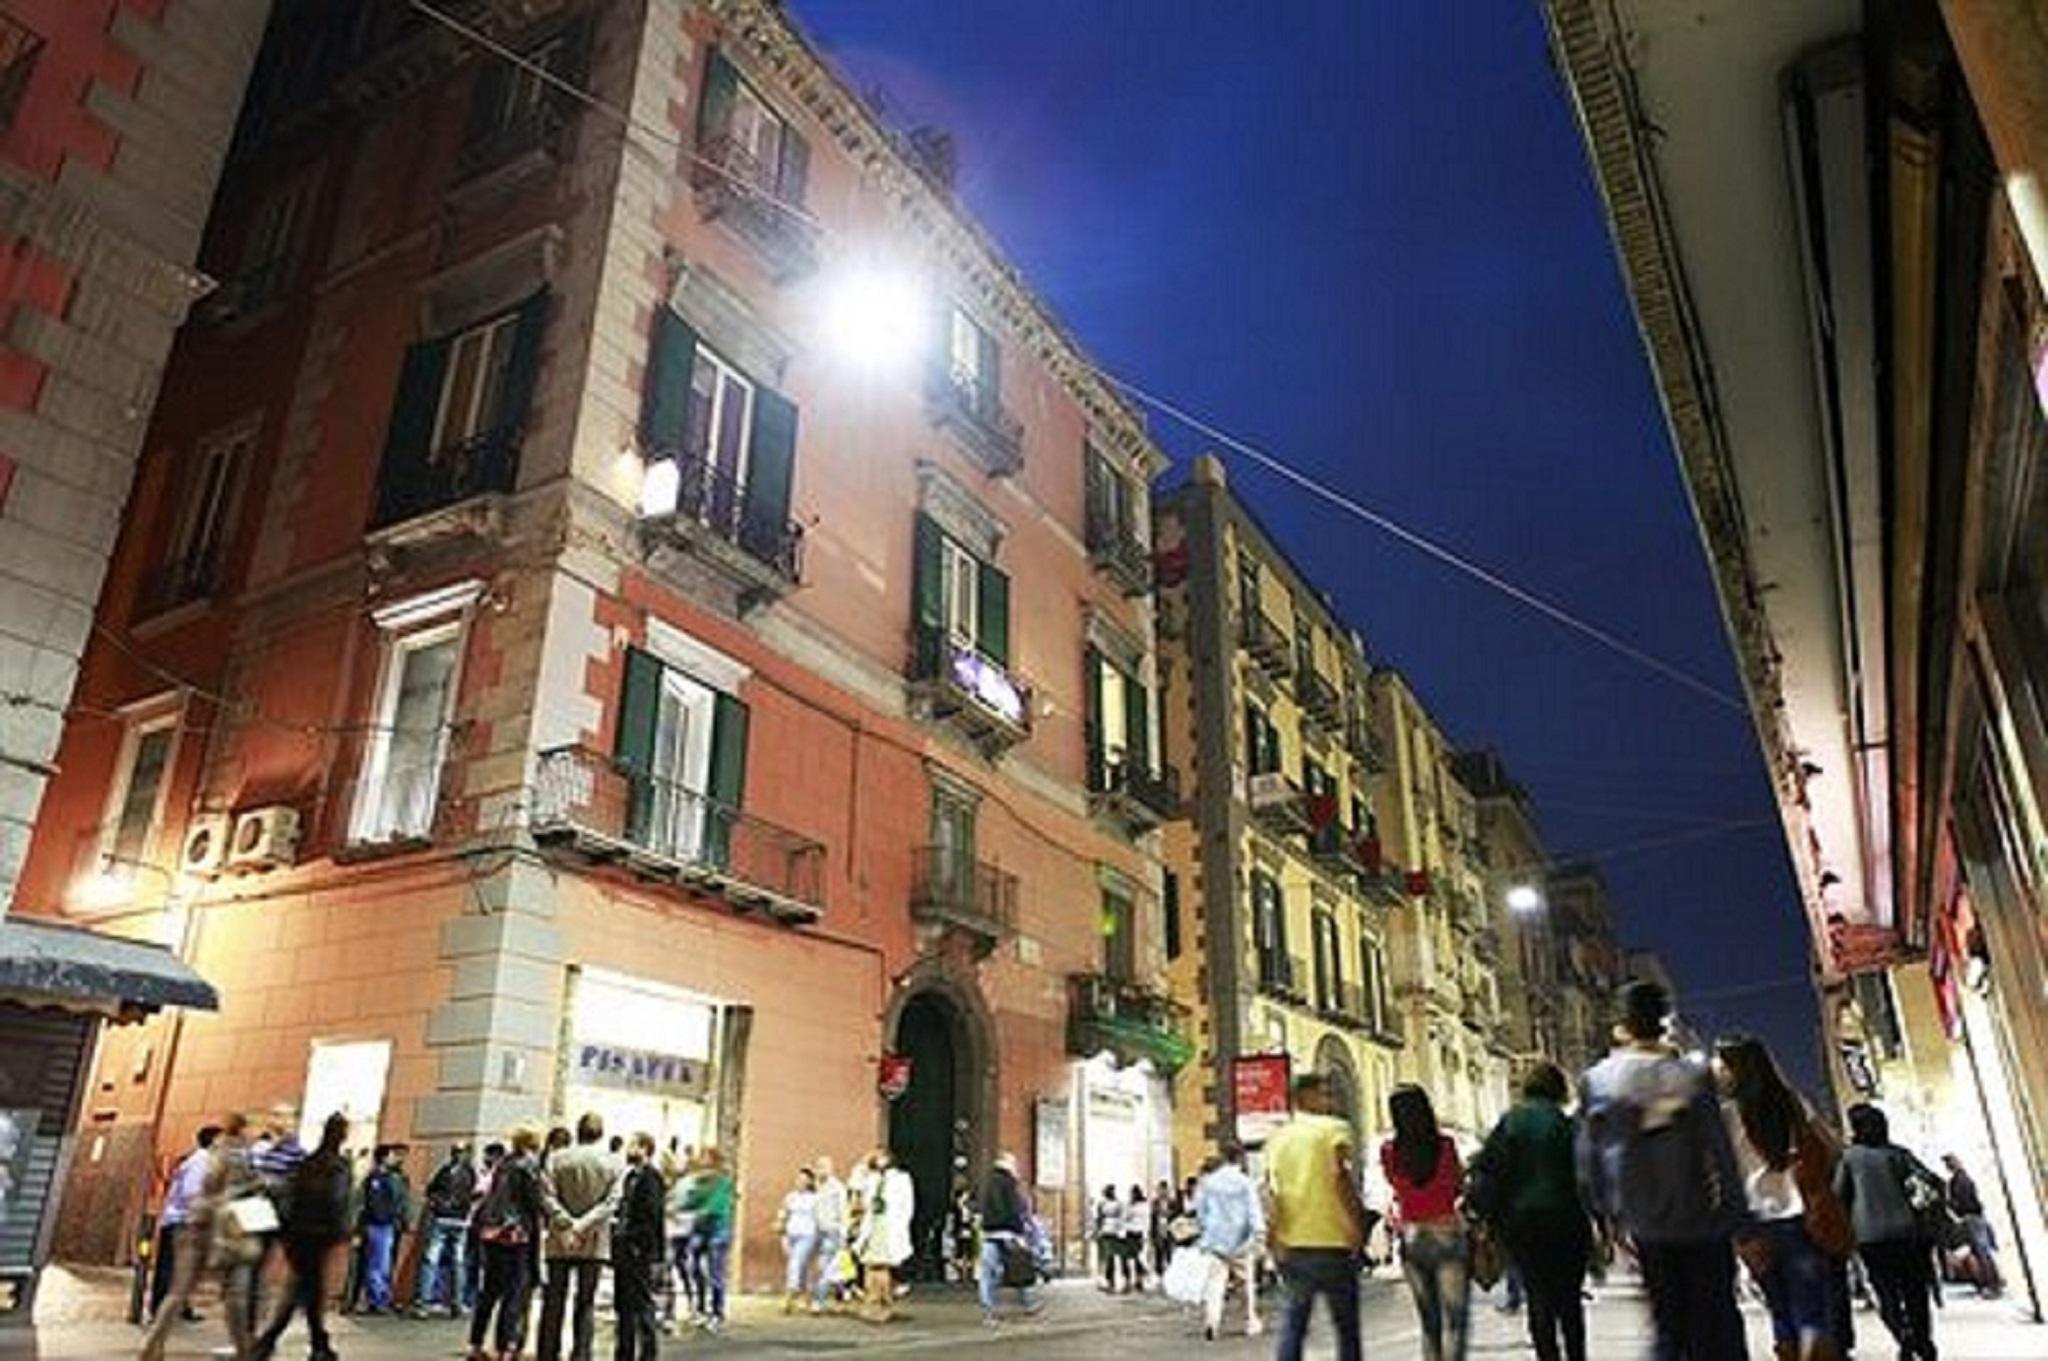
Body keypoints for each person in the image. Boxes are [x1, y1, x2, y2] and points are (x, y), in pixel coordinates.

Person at [1579, 979, 1747, 1361]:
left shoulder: (1599, 1081)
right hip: (1702, 1218)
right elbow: (1719, 1150)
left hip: (1645, 1221)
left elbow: (1588, 1162)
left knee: (1667, 1323)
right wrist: (1736, 1213)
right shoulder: (1691, 1076)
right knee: (1714, 1321)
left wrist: (1608, 1215)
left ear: (1620, 1026)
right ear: (1663, 1021)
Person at [1716, 1034, 1848, 1361]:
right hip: (1801, 1217)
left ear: (1735, 1069)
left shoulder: (1726, 1116)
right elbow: (1833, 1148)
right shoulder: (1792, 1102)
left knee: (1779, 1309)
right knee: (1812, 1311)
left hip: (1754, 1223)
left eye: (1721, 1064)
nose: (1717, 1072)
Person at [1476, 1063, 1591, 1361]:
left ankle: (1547, 1355)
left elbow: (1489, 1172)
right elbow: (1587, 1176)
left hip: (1524, 1224)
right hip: (1568, 1221)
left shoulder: (1510, 1123)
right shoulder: (1568, 1125)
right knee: (1569, 1301)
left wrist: (1490, 1221)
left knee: (1538, 1298)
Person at [1264, 1072, 1368, 1361]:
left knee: (1294, 1325)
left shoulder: (1278, 1138)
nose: (1329, 1100)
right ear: (1305, 1097)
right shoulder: (1334, 1129)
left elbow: (1273, 1192)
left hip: (1294, 1244)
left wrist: (1274, 1236)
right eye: (1323, 1094)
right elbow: (1341, 1179)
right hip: (1333, 1241)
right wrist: (1356, 1224)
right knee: (1346, 1328)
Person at [1836, 1104, 1939, 1361]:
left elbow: (1839, 1195)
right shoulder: (1899, 1154)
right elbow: (1932, 1182)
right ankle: (1923, 1342)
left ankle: (1902, 1336)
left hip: (1870, 1238)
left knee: (1886, 1293)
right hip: (1908, 1233)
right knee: (1915, 1291)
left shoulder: (1849, 1158)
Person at [254, 1112, 351, 1361]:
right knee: (306, 1291)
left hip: (298, 1236)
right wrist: (342, 1232)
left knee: (303, 1290)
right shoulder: (337, 1166)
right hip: (319, 1237)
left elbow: (291, 1199)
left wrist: (287, 1233)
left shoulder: (307, 1163)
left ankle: (309, 1343)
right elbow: (336, 1201)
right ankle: (310, 1344)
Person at [1384, 1085, 1469, 1361]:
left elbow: (1396, 1186)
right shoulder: (1445, 1146)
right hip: (1446, 1232)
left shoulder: (1389, 1152)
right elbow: (1457, 1186)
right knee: (1454, 1320)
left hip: (1412, 1236)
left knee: (1429, 1321)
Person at [539, 1112, 621, 1361]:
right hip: (593, 1240)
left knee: (554, 1301)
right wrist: (583, 1225)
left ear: (578, 1131)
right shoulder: (612, 1163)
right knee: (586, 1302)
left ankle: (548, 1353)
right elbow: (612, 1202)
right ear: (601, 1133)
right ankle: (581, 1354)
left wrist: (568, 1224)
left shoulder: (556, 1159)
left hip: (560, 1239)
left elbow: (546, 1196)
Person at [470, 1123, 546, 1361]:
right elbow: (534, 1203)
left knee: (490, 1291)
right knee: (513, 1292)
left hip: (492, 1233)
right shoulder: (528, 1165)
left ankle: (476, 1343)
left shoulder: (503, 1163)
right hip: (516, 1235)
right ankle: (504, 1347)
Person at [147, 1125, 220, 1327]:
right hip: (182, 1222)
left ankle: (179, 1309)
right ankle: (160, 1312)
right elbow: (192, 1193)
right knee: (170, 1269)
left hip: (183, 1221)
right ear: (214, 1141)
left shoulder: (202, 1160)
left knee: (183, 1269)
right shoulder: (201, 1162)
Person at [1195, 1144, 1265, 1342]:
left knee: (1215, 1284)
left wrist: (1203, 1232)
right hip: (1241, 1240)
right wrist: (1259, 1232)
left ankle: (1212, 1321)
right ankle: (1250, 1320)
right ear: (1240, 1159)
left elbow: (1201, 1211)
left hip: (1215, 1240)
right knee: (1246, 1283)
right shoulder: (1245, 1182)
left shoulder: (1209, 1183)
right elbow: (1253, 1210)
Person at [247, 1106, 305, 1333]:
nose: (275, 1119)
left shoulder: (295, 1152)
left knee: (292, 1273)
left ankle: (266, 1328)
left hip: (283, 1218)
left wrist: (272, 1184)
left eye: (281, 1115)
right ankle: (252, 1330)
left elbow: (299, 1185)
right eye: (273, 1114)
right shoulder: (265, 1150)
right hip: (261, 1216)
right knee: (253, 1272)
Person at [614, 1132, 667, 1361]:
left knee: (642, 1303)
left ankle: (648, 1353)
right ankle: (624, 1352)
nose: (628, 1149)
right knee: (623, 1303)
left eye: (633, 1145)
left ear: (645, 1148)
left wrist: (639, 1243)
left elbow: (652, 1216)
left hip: (639, 1250)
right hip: (625, 1249)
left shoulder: (651, 1178)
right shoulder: (630, 1178)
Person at [976, 1151, 1039, 1323]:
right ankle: (1029, 1303)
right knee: (1020, 1265)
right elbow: (1014, 1208)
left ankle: (988, 1311)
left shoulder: (987, 1181)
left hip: (989, 1232)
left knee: (988, 1273)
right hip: (1007, 1232)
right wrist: (1019, 1230)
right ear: (1008, 1164)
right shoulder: (1010, 1182)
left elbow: (983, 1207)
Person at [417, 1143, 478, 1317]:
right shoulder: (470, 1173)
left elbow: (431, 1191)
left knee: (431, 1260)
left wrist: (437, 1203)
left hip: (443, 1218)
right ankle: (456, 1303)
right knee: (458, 1261)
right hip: (460, 1220)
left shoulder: (445, 1171)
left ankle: (423, 1302)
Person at [857, 1150, 915, 1322]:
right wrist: (864, 1166)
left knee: (881, 1266)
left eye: (881, 1156)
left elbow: (907, 1205)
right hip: (872, 1225)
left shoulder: (901, 1179)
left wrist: (901, 1224)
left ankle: (884, 1303)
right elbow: (859, 1191)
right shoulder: (872, 1178)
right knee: (869, 1265)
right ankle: (871, 1301)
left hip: (889, 1226)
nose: (878, 1159)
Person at [683, 1146, 736, 1331]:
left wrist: (700, 1211)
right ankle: (700, 1308)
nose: (702, 1161)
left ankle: (717, 1313)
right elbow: (689, 1203)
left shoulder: (723, 1182)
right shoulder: (700, 1182)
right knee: (693, 1266)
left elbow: (717, 1206)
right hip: (700, 1230)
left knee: (716, 1273)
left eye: (706, 1158)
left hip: (718, 1231)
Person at [356, 1143, 411, 1315]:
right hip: (379, 1225)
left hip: (388, 1225)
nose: (394, 1158)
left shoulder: (392, 1177)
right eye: (391, 1155)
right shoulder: (376, 1178)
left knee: (383, 1265)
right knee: (377, 1265)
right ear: (383, 1157)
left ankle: (381, 1299)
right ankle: (378, 1300)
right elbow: (375, 1204)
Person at [1943, 1154, 2002, 1297]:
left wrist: (1950, 1205)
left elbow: (1961, 1203)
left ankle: (1990, 1284)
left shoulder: (1958, 1181)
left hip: (1971, 1218)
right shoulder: (1963, 1179)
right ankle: (1990, 1282)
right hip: (1973, 1217)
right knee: (1981, 1252)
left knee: (1981, 1252)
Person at [664, 1149, 700, 1326]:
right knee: (677, 1267)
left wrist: (673, 1210)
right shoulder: (677, 1184)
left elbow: (689, 1205)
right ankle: (683, 1306)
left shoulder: (689, 1184)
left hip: (682, 1229)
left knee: (676, 1267)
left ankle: (686, 1306)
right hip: (676, 1230)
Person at [779, 1166, 821, 1313]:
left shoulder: (815, 1198)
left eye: (804, 1179)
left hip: (808, 1234)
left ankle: (790, 1294)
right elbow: (783, 1213)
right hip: (791, 1234)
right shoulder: (790, 1197)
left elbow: (819, 1217)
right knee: (800, 1266)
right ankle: (807, 1297)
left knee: (795, 1262)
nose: (800, 1182)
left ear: (810, 1181)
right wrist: (781, 1228)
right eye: (798, 1179)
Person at [811, 1154, 849, 1313]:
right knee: (830, 1268)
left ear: (831, 1169)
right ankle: (842, 1289)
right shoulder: (816, 1187)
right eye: (818, 1167)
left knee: (825, 1268)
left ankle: (818, 1300)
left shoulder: (837, 1188)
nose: (820, 1170)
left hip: (833, 1232)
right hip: (818, 1231)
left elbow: (843, 1211)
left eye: (823, 1167)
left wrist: (843, 1233)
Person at [1092, 1183, 1125, 1291]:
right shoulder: (1117, 1204)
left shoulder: (1104, 1204)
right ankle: (1108, 1280)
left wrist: (1097, 1230)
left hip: (1107, 1232)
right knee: (1108, 1257)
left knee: (1105, 1257)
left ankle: (1107, 1280)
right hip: (1112, 1232)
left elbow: (1099, 1219)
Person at [1150, 1179, 1179, 1281]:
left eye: (1164, 1189)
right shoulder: (1155, 1202)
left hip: (1169, 1230)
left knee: (1169, 1253)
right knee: (1158, 1254)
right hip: (1159, 1230)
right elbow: (1152, 1218)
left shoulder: (1173, 1202)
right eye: (1160, 1189)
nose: (1162, 1192)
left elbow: (1177, 1215)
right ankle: (1160, 1274)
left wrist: (1169, 1213)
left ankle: (1171, 1275)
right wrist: (1152, 1234)